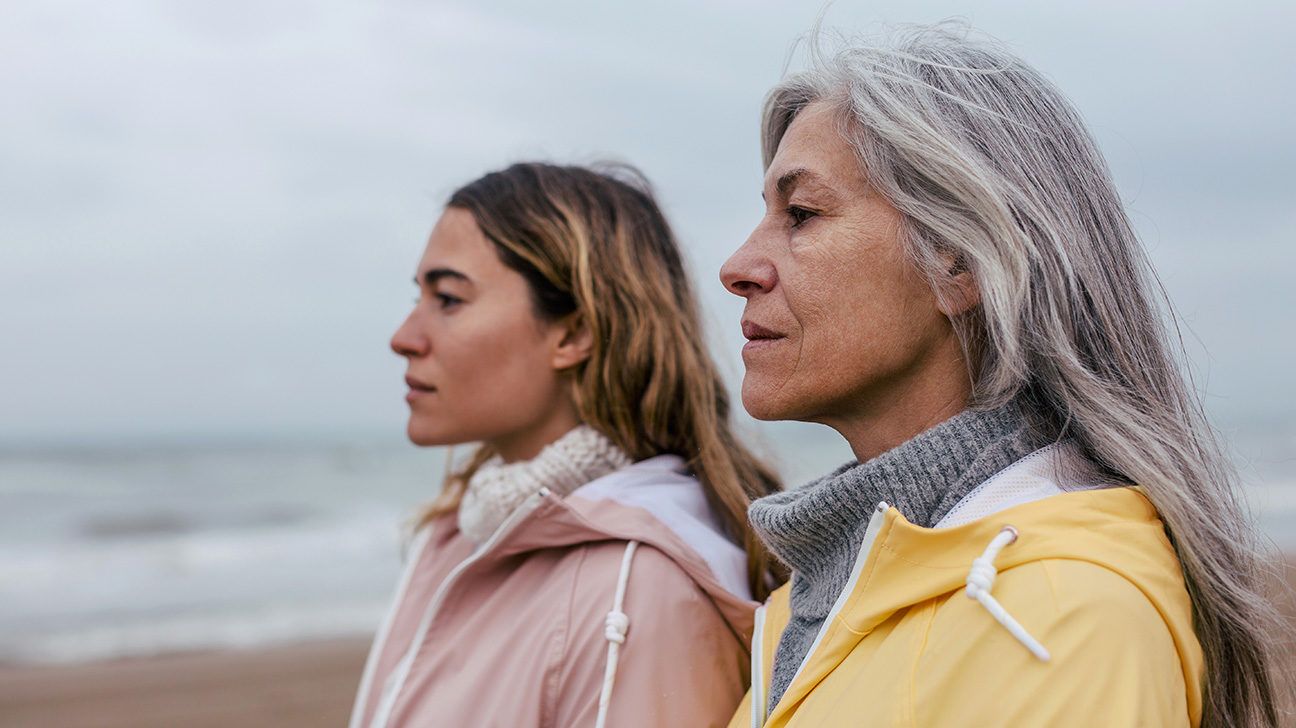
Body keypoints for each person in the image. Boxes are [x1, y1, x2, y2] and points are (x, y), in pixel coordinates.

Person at [719, 25, 1282, 728]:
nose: (738, 266)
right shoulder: (814, 605)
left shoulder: (1062, 617)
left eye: (801, 214)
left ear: (959, 261)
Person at [350, 162, 782, 728]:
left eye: (449, 299)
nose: (404, 338)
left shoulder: (638, 592)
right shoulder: (459, 533)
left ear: (575, 332)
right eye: (418, 297)